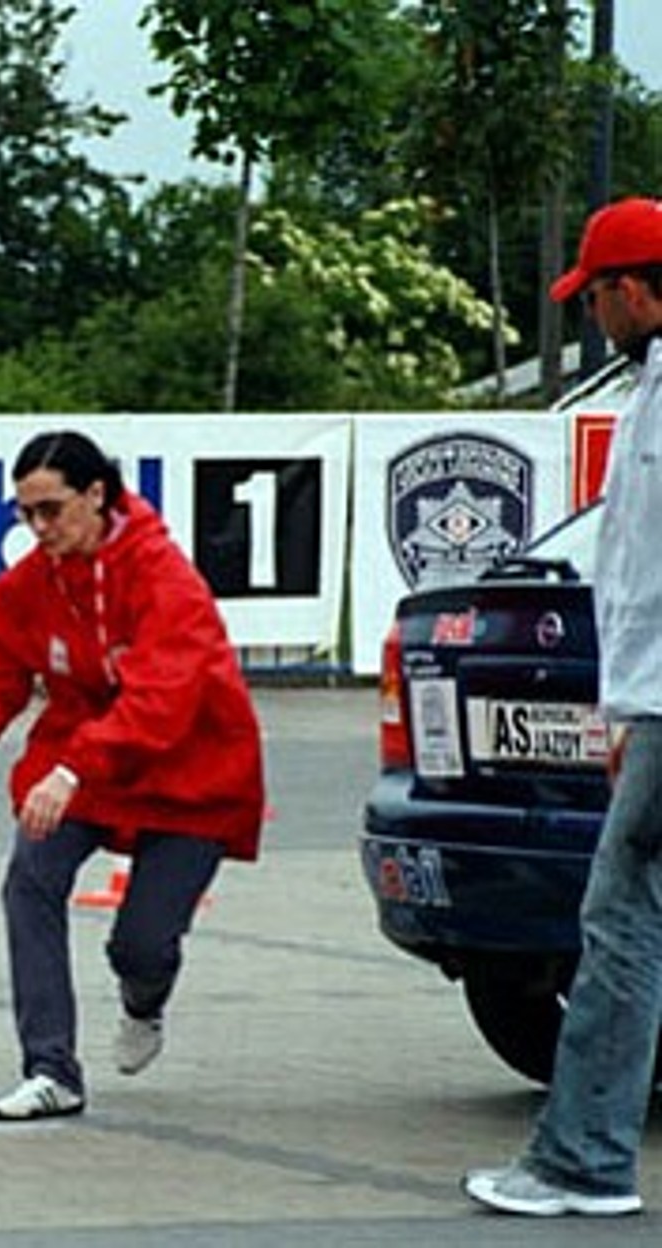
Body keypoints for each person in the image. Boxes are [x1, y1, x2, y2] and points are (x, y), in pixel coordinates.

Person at [0, 429, 264, 1121]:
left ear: (96, 495)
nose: (38, 527)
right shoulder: (31, 583)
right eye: (26, 513)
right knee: (30, 877)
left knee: (140, 943)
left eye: (51, 509)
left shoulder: (165, 577)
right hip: (86, 765)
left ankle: (146, 1000)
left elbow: (162, 699)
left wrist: (72, 769)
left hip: (190, 771)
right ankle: (51, 1068)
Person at [462, 197, 662, 1218]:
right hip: (649, 703)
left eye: (593, 298)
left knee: (620, 928)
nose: (590, 317)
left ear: (632, 289)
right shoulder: (645, 394)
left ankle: (580, 1161)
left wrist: (635, 710)